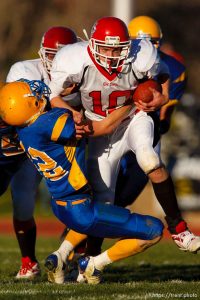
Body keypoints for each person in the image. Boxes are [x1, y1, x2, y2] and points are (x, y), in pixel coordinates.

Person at [47, 16, 200, 256]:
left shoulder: (142, 54)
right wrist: (70, 113)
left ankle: (179, 229)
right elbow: (53, 96)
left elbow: (163, 76)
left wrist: (161, 97)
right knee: (103, 199)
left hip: (133, 118)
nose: (112, 54)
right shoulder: (72, 59)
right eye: (106, 48)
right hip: (97, 126)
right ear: (92, 45)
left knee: (149, 158)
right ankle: (91, 258)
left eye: (118, 48)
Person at [0, 79, 164, 285]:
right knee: (154, 230)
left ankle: (60, 257)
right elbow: (104, 126)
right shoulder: (50, 122)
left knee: (93, 216)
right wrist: (132, 100)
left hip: (60, 204)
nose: (40, 96)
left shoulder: (24, 130)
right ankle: (95, 264)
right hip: (79, 208)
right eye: (34, 97)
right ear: (28, 105)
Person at [1, 26, 78, 279]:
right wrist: (59, 101)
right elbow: (21, 112)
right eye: (51, 54)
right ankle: (28, 262)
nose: (55, 60)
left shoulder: (83, 70)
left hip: (68, 147)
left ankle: (76, 257)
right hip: (30, 144)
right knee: (22, 201)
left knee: (77, 201)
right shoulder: (24, 70)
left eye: (62, 54)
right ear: (41, 52)